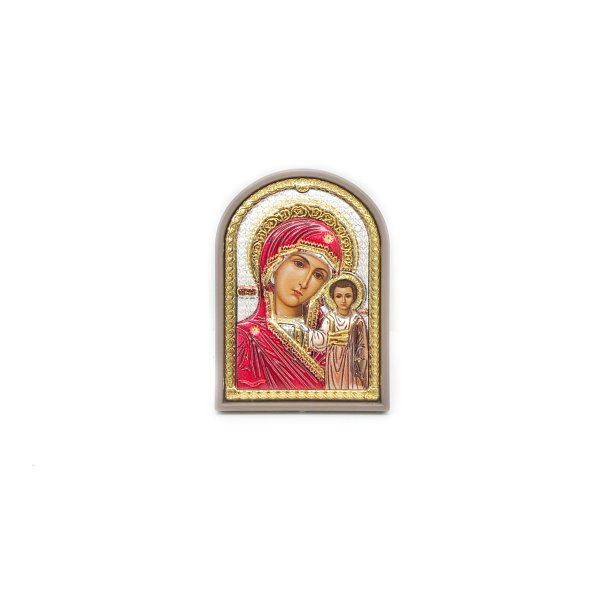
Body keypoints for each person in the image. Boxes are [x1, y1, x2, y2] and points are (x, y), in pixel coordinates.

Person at [236, 217, 343, 389]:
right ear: (274, 265)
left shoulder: (329, 338)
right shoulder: (245, 338)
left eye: (318, 275)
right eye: (299, 264)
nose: (305, 282)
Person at [319, 277, 369, 390]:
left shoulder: (357, 320)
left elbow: (363, 346)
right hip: (333, 359)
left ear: (354, 297)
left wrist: (361, 368)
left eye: (348, 296)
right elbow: (321, 339)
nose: (343, 300)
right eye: (338, 296)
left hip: (350, 360)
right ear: (332, 298)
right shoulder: (330, 318)